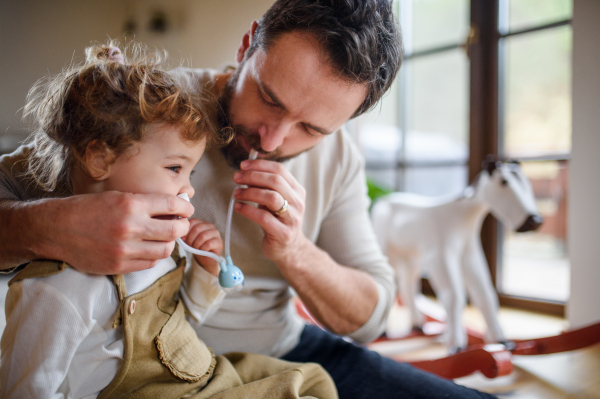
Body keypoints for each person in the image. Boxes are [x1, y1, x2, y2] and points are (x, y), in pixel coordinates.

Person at [0, 1, 497, 398]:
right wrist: (52, 225)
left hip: (283, 353)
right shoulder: (147, 108)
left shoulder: (340, 157)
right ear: (247, 46)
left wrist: (295, 250)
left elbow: (369, 317)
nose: (274, 138)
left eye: (310, 127)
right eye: (270, 98)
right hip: (145, 372)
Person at [0, 44, 337, 399]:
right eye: (175, 169)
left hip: (205, 373)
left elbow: (178, 328)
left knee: (310, 381)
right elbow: (24, 389)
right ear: (100, 159)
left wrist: (206, 272)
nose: (188, 190)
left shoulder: (161, 248)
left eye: (189, 172)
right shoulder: (57, 290)